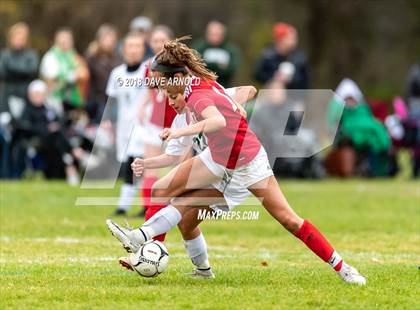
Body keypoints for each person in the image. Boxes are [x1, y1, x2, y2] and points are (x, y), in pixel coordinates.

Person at [107, 37, 366, 285]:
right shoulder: (195, 86)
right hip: (218, 160)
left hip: (247, 162)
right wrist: (232, 104)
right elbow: (229, 101)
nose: (161, 89)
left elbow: (218, 120)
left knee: (289, 219)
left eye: (163, 82)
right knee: (168, 195)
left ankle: (344, 268)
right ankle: (150, 243)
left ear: (177, 77)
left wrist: (180, 131)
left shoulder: (196, 96)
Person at [116, 85, 256, 278]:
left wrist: (234, 104)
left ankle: (146, 246)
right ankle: (203, 271)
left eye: (174, 97)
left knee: (161, 190)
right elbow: (172, 156)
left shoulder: (206, 96)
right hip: (214, 169)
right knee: (187, 223)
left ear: (186, 92)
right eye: (168, 98)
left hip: (235, 170)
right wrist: (145, 163)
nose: (171, 102)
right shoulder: (181, 120)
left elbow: (250, 89)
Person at [134, 25, 177, 221]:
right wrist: (143, 106)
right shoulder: (149, 65)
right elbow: (150, 91)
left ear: (170, 41)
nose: (158, 44)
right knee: (149, 165)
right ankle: (147, 207)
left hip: (178, 122)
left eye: (162, 40)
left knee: (183, 167)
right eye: (155, 41)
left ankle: (182, 206)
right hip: (156, 123)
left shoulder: (179, 63)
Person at [106, 32, 146, 216]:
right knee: (127, 164)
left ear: (143, 49)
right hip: (124, 126)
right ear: (124, 50)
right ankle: (126, 205)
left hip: (144, 126)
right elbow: (112, 101)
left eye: (138, 46)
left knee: (138, 164)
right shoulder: (117, 73)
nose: (134, 50)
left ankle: (137, 204)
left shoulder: (148, 71)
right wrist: (108, 120)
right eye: (130, 46)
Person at [16, 80, 81, 184]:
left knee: (58, 135)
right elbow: (25, 127)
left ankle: (70, 161)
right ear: (30, 95)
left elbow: (59, 123)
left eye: (41, 94)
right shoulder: (27, 110)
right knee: (56, 136)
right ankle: (72, 158)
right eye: (36, 94)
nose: (39, 97)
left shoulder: (47, 109)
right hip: (37, 140)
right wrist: (46, 128)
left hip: (53, 141)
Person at [326, 78, 391, 177]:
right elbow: (332, 123)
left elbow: (370, 121)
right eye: (347, 99)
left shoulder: (363, 109)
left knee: (377, 136)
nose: (350, 102)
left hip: (369, 135)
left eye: (351, 99)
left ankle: (377, 169)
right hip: (353, 136)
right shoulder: (341, 111)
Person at [0, 22, 39, 177]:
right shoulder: (5, 54)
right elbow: (3, 72)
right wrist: (21, 72)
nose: (19, 39)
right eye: (16, 36)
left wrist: (13, 70)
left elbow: (31, 71)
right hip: (7, 100)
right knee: (6, 136)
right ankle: (4, 172)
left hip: (24, 100)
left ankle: (20, 171)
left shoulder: (31, 55)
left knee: (21, 136)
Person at [40, 28, 89, 116]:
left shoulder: (74, 56)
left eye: (68, 40)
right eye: (62, 40)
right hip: (55, 100)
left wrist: (75, 75)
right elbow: (53, 79)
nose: (65, 42)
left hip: (73, 101)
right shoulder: (50, 57)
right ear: (56, 41)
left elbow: (84, 73)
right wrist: (73, 76)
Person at [254, 22, 309, 89]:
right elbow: (257, 74)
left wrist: (290, 79)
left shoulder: (299, 57)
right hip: (271, 92)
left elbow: (305, 80)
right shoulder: (268, 54)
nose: (294, 41)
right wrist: (274, 77)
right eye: (291, 38)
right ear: (281, 40)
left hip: (295, 95)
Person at [85, 24, 121, 124]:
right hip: (96, 100)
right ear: (99, 40)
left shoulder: (117, 57)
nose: (109, 42)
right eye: (106, 39)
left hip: (113, 100)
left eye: (112, 39)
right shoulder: (92, 56)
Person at [193, 21, 240, 87]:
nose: (215, 37)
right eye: (212, 34)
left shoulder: (230, 49)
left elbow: (232, 69)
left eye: (218, 34)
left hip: (224, 86)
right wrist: (219, 66)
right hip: (203, 86)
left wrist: (207, 65)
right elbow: (195, 66)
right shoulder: (199, 47)